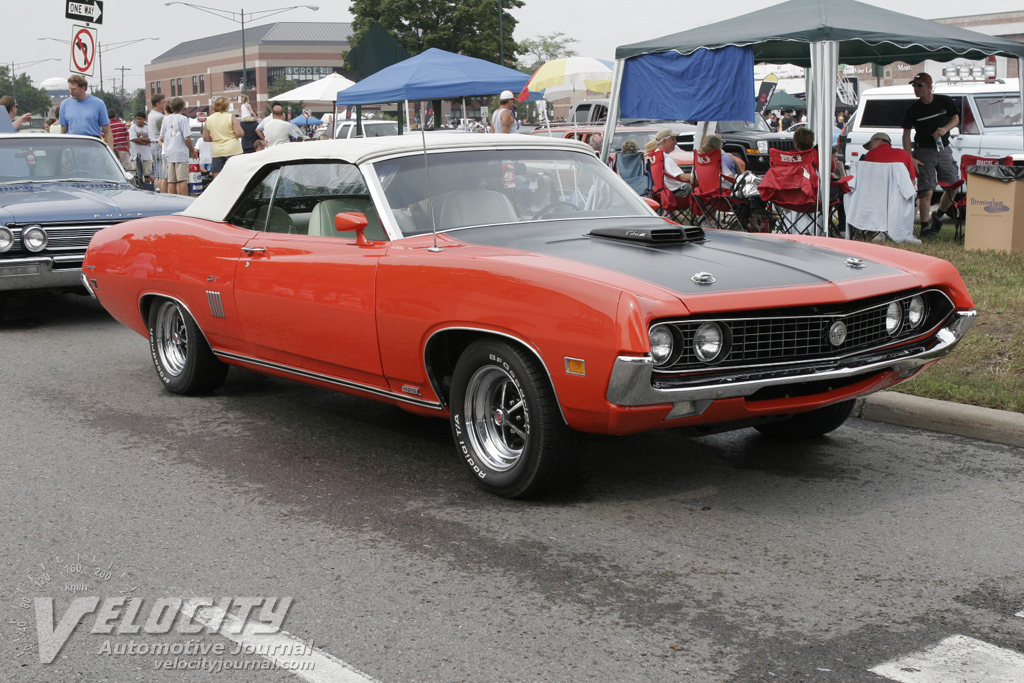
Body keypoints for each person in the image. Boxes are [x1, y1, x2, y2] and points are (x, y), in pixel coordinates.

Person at [901, 72, 959, 237]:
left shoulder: (944, 101)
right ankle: (925, 227)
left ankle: (939, 215)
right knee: (927, 189)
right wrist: (910, 157)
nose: (916, 89)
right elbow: (906, 135)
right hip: (924, 150)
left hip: (943, 149)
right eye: (914, 86)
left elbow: (955, 119)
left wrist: (945, 129)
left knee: (953, 186)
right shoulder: (912, 109)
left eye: (919, 85)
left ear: (929, 86)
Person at [60, 76, 113, 151]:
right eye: (69, 89)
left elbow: (107, 131)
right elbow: (63, 131)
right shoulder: (64, 104)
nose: (71, 92)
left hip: (93, 146)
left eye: (74, 89)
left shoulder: (98, 103)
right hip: (73, 147)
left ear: (83, 88)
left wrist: (111, 151)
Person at [158, 97, 196, 196]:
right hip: (181, 153)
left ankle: (172, 200)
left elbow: (161, 138)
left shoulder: (165, 119)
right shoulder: (183, 119)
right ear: (182, 106)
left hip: (169, 153)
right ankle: (184, 199)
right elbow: (187, 138)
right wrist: (192, 150)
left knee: (171, 180)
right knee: (182, 180)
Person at [202, 96, 244, 177]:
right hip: (233, 149)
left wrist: (217, 138)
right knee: (235, 175)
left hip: (217, 150)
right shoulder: (230, 117)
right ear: (226, 106)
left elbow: (206, 138)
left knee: (217, 175)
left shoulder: (209, 119)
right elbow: (240, 134)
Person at [645, 129, 692, 199]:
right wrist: (698, 178)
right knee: (705, 189)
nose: (676, 143)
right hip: (678, 193)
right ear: (664, 141)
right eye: (673, 139)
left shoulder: (655, 156)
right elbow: (682, 177)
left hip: (664, 192)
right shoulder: (666, 158)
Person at [148, 95, 168, 194]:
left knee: (157, 174)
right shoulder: (159, 117)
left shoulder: (150, 114)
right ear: (158, 104)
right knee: (162, 174)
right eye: (164, 102)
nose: (165, 104)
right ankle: (162, 193)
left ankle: (156, 191)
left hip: (153, 144)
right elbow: (164, 133)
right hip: (159, 145)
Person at [129, 111, 154, 184]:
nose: (138, 120)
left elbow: (151, 139)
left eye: (140, 119)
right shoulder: (133, 127)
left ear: (144, 119)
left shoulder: (148, 128)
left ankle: (147, 188)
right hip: (135, 156)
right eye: (137, 119)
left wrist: (140, 138)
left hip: (147, 156)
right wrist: (145, 143)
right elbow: (134, 139)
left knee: (147, 176)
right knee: (136, 176)